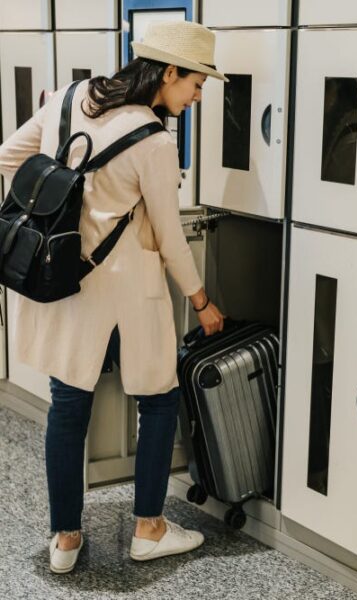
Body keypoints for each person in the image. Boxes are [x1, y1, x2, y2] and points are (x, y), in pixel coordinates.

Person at [0, 21, 226, 573]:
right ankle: (147, 528)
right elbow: (172, 241)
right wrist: (201, 301)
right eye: (196, 84)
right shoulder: (153, 140)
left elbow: (10, 157)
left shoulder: (71, 96)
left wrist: (64, 208)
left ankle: (65, 541)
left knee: (69, 402)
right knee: (158, 397)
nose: (197, 97)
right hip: (129, 289)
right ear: (169, 72)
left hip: (65, 277)